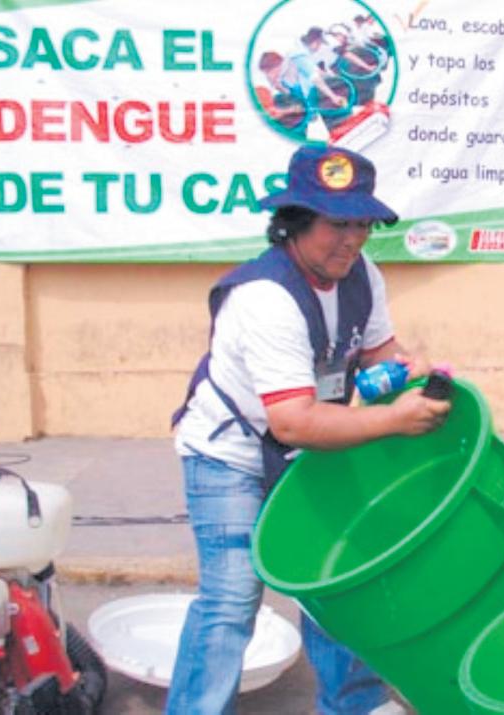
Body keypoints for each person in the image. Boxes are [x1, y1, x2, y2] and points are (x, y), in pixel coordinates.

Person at [166, 144, 450, 714]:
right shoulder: (265, 297)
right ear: (294, 223)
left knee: (338, 582)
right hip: (232, 454)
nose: (353, 239)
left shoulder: (361, 274)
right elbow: (293, 420)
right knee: (230, 601)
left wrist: (411, 368)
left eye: (362, 224)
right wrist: (394, 419)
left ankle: (353, 706)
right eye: (337, 224)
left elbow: (377, 351)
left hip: (311, 445)